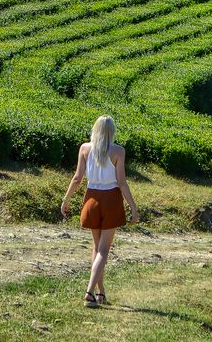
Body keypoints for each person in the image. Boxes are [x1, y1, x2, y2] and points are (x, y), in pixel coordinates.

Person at [61, 114, 139, 308]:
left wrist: (66, 199)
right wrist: (133, 207)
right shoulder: (118, 151)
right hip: (111, 199)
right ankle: (89, 292)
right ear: (112, 131)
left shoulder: (85, 148)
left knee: (97, 249)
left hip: (91, 199)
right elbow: (122, 182)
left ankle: (100, 292)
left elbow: (77, 178)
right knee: (103, 250)